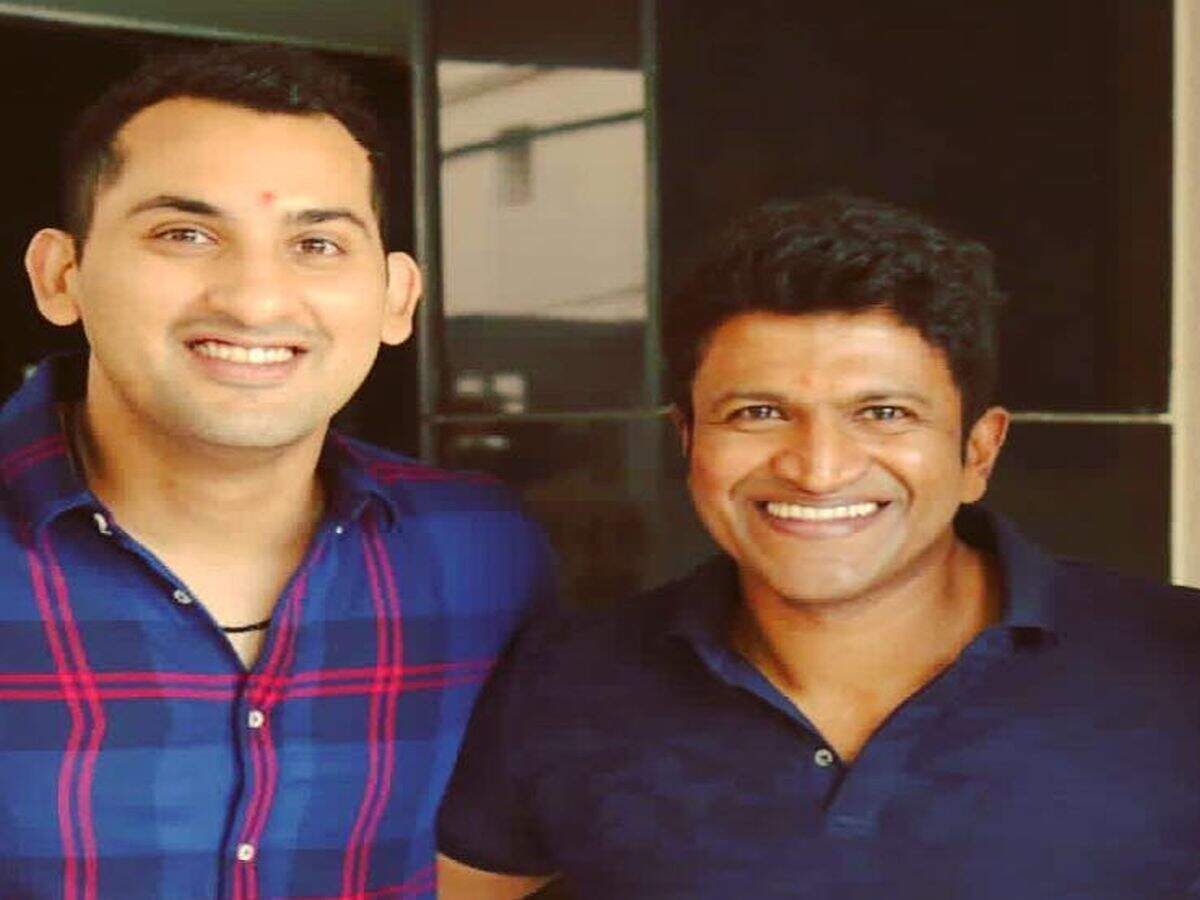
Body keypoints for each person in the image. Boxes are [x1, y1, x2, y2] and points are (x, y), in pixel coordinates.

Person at [436, 194, 1200, 899]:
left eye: (884, 413)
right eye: (759, 412)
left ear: (977, 452)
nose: (819, 468)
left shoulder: (1176, 666)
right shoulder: (566, 682)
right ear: (687, 440)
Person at [3, 43, 552, 898]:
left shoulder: (482, 549)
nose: (255, 299)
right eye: (185, 234)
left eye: (317, 243)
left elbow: (513, 848)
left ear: (396, 298)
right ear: (59, 276)